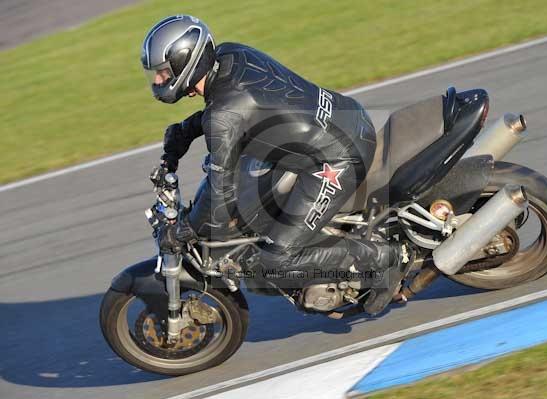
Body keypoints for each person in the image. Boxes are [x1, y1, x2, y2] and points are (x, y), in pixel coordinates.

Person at [142, 15, 407, 315]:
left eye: (163, 73)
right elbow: (235, 106)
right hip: (347, 115)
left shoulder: (224, 116)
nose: (157, 81)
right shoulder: (230, 55)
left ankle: (384, 257)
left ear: (185, 61)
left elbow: (220, 195)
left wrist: (184, 230)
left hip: (338, 159)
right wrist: (184, 133)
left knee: (273, 261)